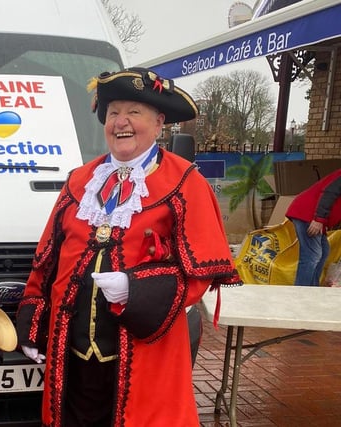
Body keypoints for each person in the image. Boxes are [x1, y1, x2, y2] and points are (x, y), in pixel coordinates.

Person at [15, 68, 241, 427]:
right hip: (73, 359)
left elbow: (201, 274)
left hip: (143, 357)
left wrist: (136, 290)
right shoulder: (79, 180)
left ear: (159, 122)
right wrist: (33, 322)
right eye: (114, 112)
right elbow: (47, 262)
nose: (121, 122)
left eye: (134, 112)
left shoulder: (185, 182)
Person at [286, 169, 341, 286]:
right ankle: (301, 291)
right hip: (308, 213)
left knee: (324, 252)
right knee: (313, 254)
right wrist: (319, 219)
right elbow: (329, 193)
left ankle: (313, 289)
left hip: (315, 216)